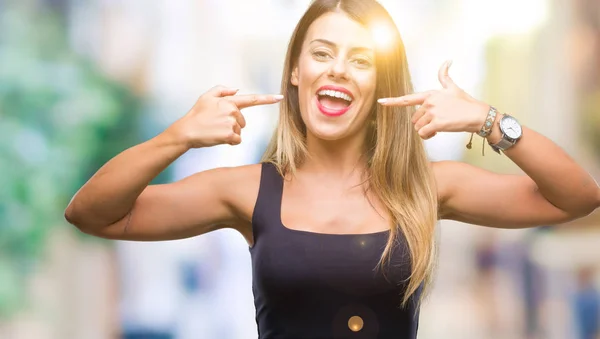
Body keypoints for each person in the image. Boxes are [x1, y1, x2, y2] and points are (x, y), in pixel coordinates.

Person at [64, 0, 600, 338]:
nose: (338, 69)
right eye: (322, 53)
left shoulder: (425, 186)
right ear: (296, 72)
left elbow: (575, 197)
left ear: (380, 85)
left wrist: (487, 119)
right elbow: (93, 213)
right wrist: (178, 135)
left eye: (361, 60)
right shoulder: (248, 190)